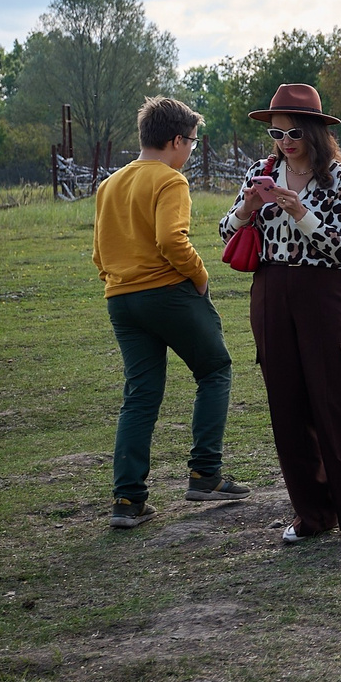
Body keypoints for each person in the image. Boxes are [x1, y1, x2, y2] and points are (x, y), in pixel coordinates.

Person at [217, 84, 341, 544]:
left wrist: (300, 211)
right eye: (276, 132)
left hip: (322, 288)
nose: (285, 140)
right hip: (271, 288)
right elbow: (223, 230)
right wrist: (246, 208)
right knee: (286, 403)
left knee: (338, 399)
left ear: (314, 130)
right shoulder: (260, 172)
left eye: (293, 131)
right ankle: (311, 514)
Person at [93, 98, 245, 528]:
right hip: (168, 293)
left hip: (120, 298)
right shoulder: (170, 181)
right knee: (215, 369)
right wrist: (199, 276)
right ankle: (205, 473)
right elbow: (170, 240)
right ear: (176, 140)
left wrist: (118, 279)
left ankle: (128, 501)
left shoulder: (109, 184)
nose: (191, 151)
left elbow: (99, 253)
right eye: (192, 143)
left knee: (139, 396)